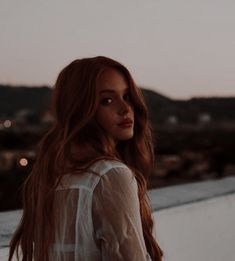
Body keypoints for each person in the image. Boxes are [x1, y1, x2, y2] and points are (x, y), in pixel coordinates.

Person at [8, 56, 164, 261]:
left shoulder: (50, 175)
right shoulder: (111, 175)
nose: (125, 108)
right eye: (107, 100)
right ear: (82, 109)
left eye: (127, 96)